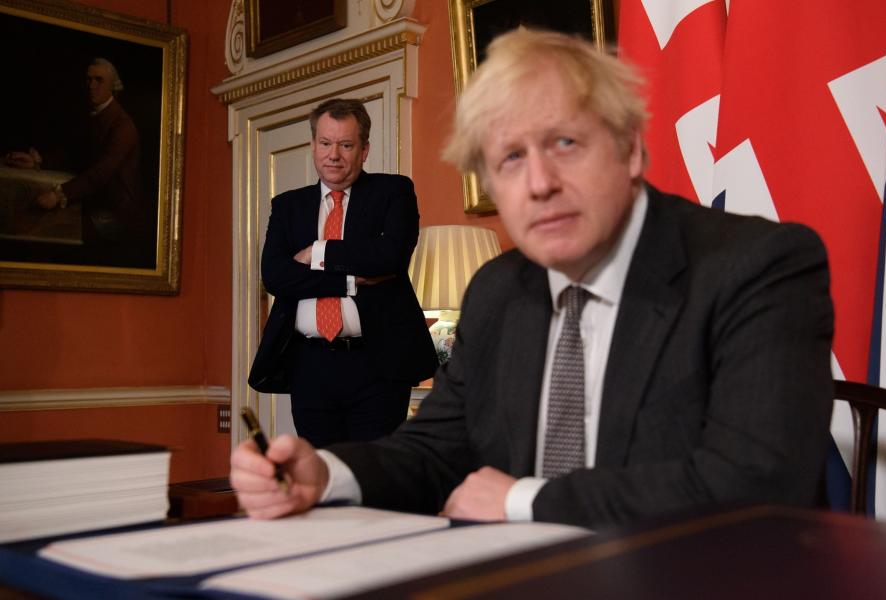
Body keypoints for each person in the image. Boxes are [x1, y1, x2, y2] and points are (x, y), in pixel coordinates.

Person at [231, 30, 835, 528]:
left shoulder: (757, 266)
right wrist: (327, 475)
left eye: (565, 143)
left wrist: (525, 501)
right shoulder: (498, 289)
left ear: (628, 149)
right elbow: (434, 450)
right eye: (510, 158)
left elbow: (757, 484)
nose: (539, 183)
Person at [248, 98, 438, 448]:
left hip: (377, 365)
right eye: (325, 143)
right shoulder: (288, 206)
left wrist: (317, 252)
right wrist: (350, 279)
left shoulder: (392, 192)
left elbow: (389, 257)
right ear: (313, 145)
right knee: (323, 476)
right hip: (310, 366)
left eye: (346, 145)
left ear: (364, 150)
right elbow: (276, 275)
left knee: (374, 476)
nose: (333, 155)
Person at [3, 58, 150, 266]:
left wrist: (58, 194)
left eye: (99, 80)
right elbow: (76, 155)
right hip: (93, 200)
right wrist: (37, 161)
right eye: (89, 79)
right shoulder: (96, 115)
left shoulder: (123, 126)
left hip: (116, 213)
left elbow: (100, 173)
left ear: (114, 87)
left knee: (48, 234)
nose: (91, 85)